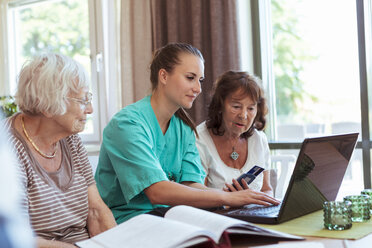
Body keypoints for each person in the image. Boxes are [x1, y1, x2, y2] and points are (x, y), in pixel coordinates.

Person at [95, 43, 280, 224]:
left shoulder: (183, 128)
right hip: (128, 221)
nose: (198, 89)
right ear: (164, 76)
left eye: (200, 80)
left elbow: (191, 185)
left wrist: (229, 198)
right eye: (190, 78)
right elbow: (157, 191)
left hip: (170, 216)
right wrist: (226, 199)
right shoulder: (127, 124)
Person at [4, 53, 116, 247]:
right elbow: (17, 238)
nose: (90, 109)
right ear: (48, 104)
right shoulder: (8, 150)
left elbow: (95, 210)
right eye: (83, 100)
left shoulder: (70, 139)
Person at [196, 71, 274, 195]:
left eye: (251, 108)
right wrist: (231, 200)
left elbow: (267, 189)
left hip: (255, 213)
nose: (243, 115)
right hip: (217, 214)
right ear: (220, 106)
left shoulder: (259, 139)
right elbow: (198, 198)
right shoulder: (199, 139)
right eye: (236, 107)